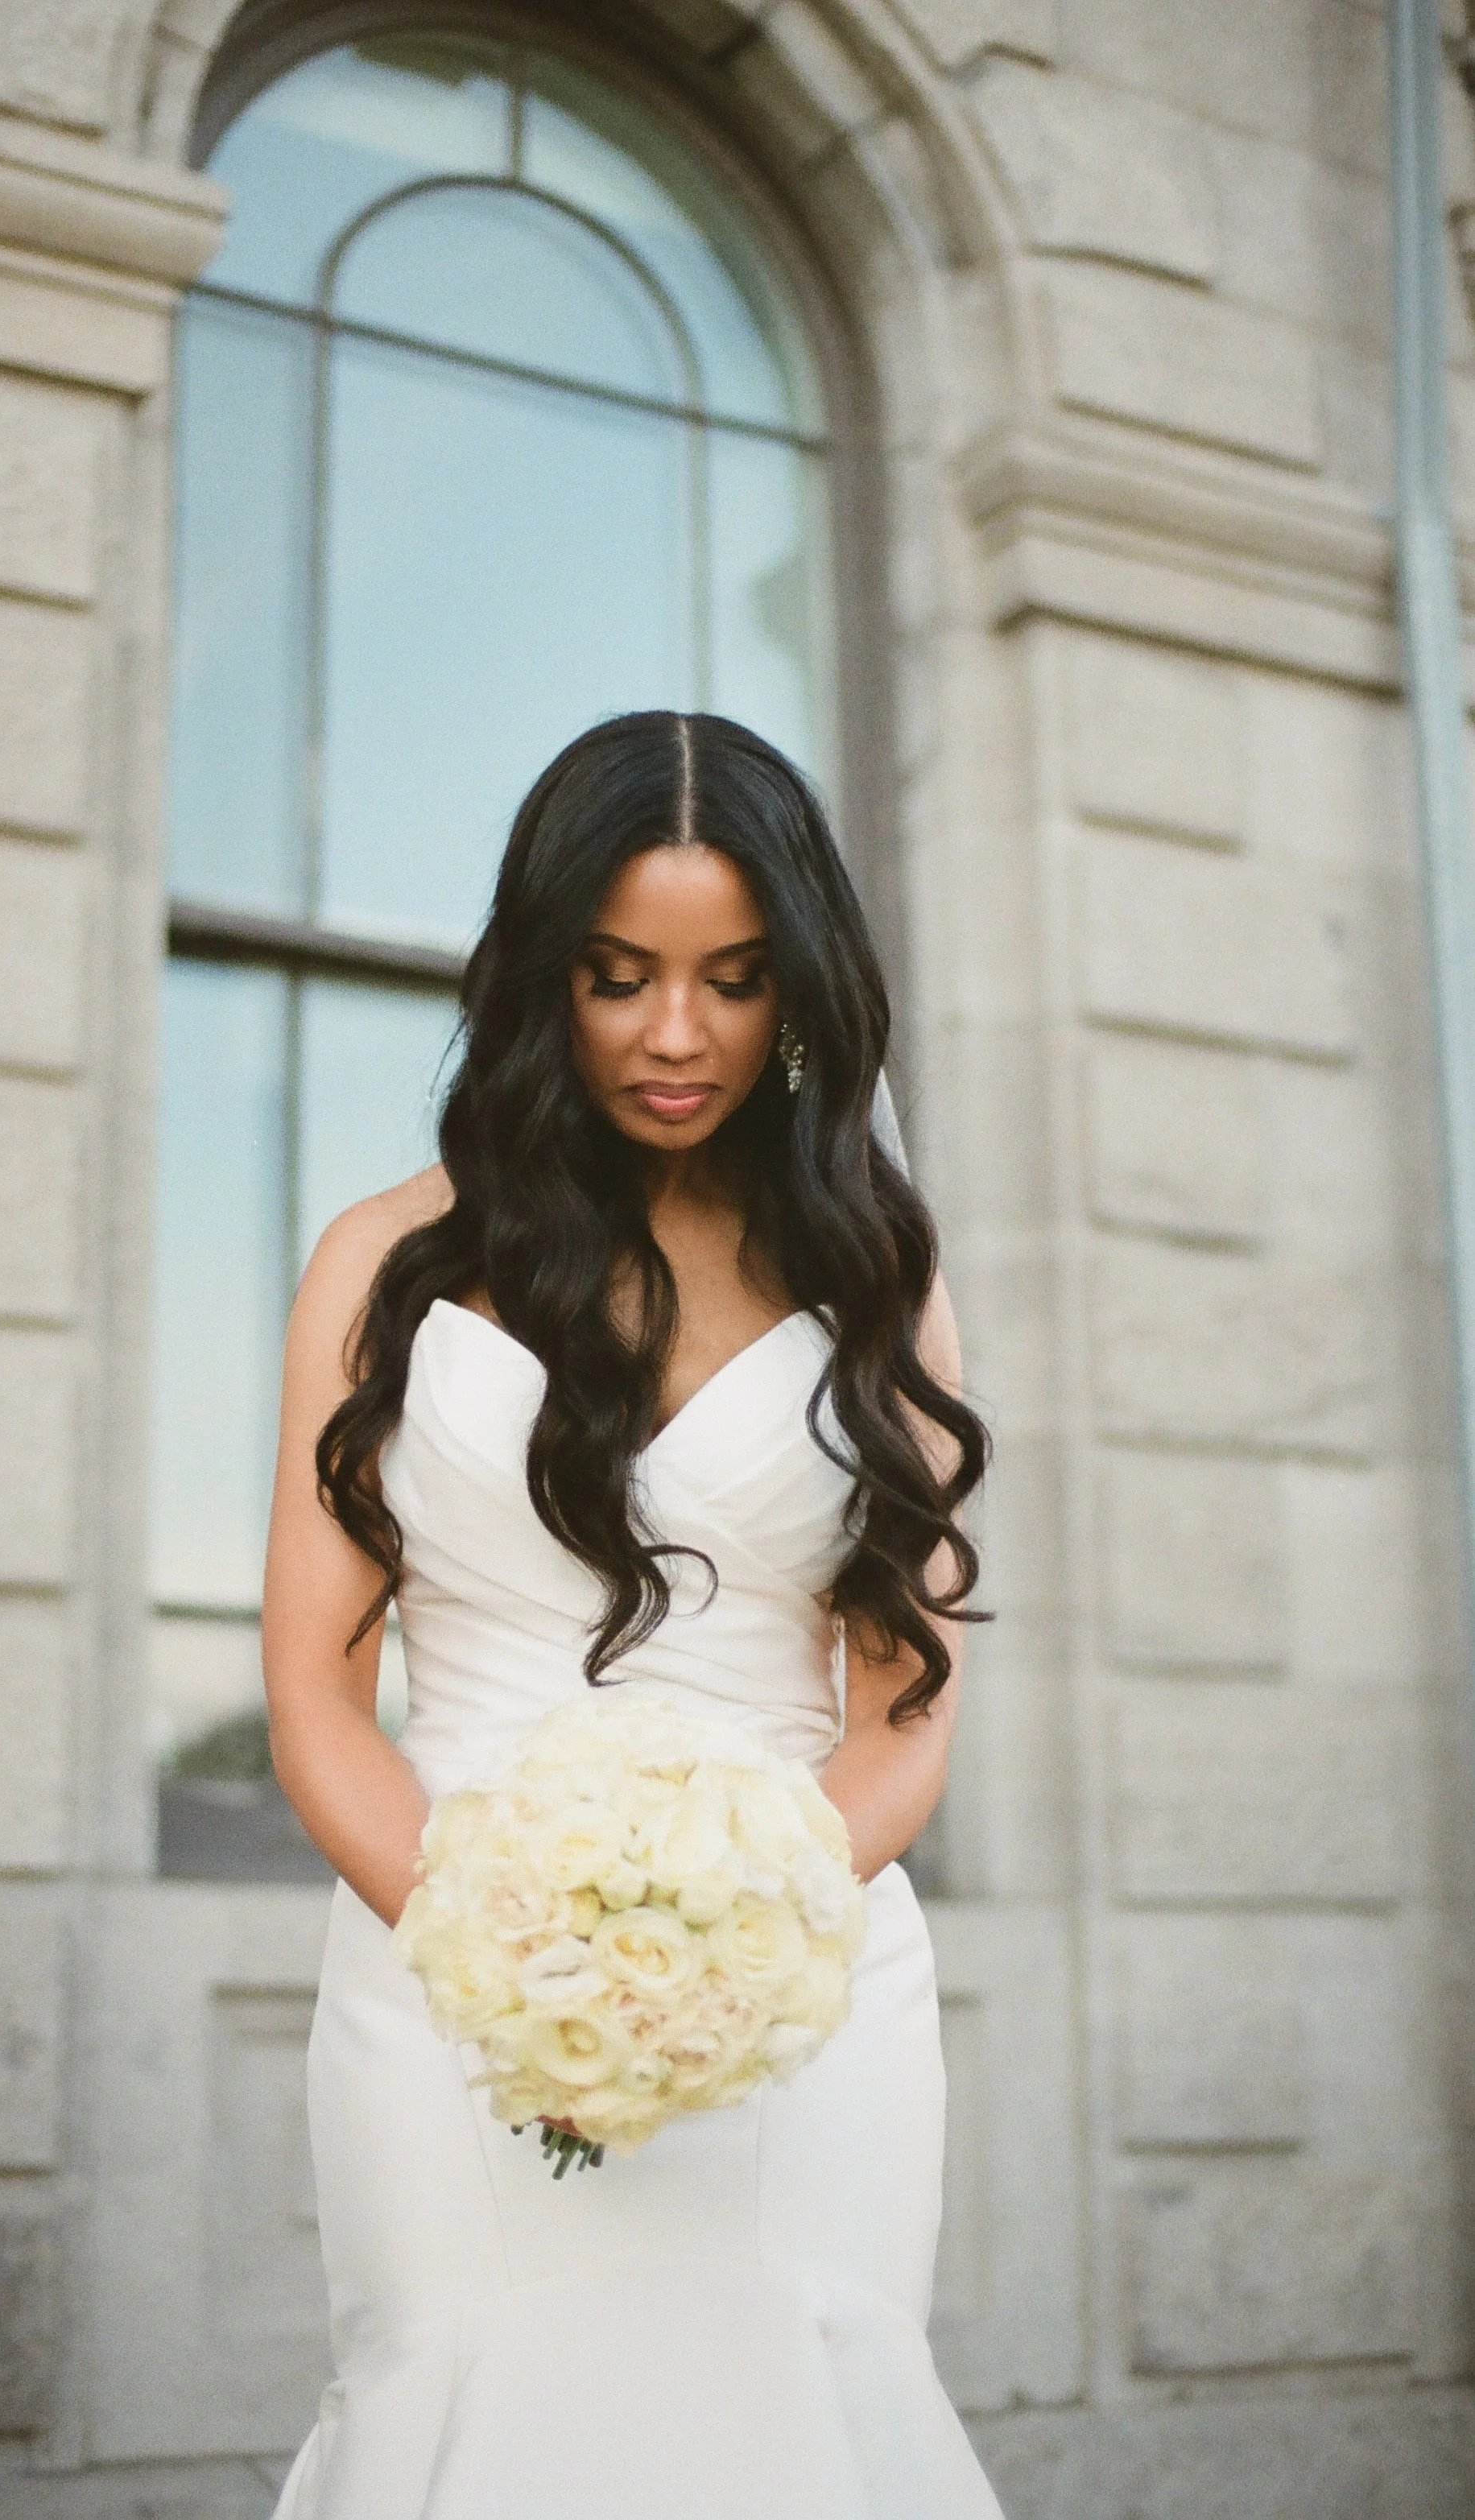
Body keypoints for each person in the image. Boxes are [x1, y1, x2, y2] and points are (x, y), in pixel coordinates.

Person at [262, 711, 1004, 2519]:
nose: (676, 1036)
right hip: (443, 1972)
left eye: (734, 981)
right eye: (617, 977)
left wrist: (730, 1956)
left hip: (799, 2003)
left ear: (800, 990)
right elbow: (311, 1689)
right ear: (542, 979)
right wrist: (499, 1948)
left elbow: (904, 1708)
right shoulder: (379, 1261)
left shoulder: (876, 1287)